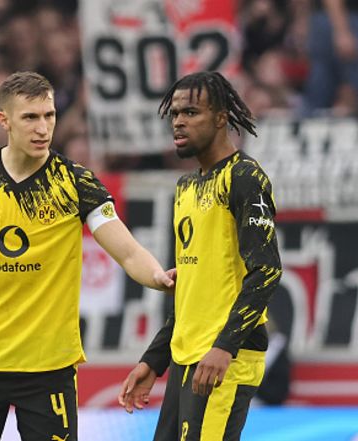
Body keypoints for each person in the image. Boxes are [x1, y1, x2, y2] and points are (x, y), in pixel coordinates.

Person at [0, 71, 174, 441]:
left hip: (49, 367)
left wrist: (157, 276)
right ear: (4, 120)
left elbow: (128, 250)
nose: (43, 128)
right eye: (30, 117)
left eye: (49, 115)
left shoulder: (75, 182)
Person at [117, 71, 282, 441]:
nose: (178, 121)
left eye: (191, 112)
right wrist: (154, 360)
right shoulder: (186, 186)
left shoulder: (244, 178)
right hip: (186, 357)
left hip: (224, 359)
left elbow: (267, 271)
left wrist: (225, 347)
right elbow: (190, 288)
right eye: (175, 113)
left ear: (221, 118)